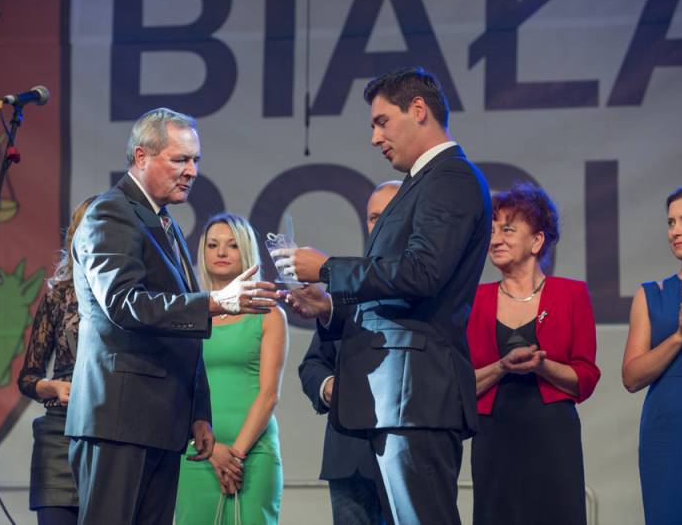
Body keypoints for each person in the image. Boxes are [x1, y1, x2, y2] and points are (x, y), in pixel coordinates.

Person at [279, 67, 491, 525]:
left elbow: (422, 274)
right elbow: (396, 295)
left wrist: (329, 268)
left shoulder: (449, 177)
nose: (375, 138)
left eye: (381, 122)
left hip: (415, 394)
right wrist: (331, 307)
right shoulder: (422, 182)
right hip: (395, 396)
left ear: (418, 110)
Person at [65, 108, 279, 525]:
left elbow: (181, 336)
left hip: (160, 421)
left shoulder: (165, 223)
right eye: (180, 159)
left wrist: (198, 411)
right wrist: (215, 302)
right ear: (141, 157)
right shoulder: (111, 213)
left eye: (195, 160)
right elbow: (125, 303)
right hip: (119, 419)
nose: (192, 171)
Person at [466, 183, 600, 525]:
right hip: (494, 436)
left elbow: (584, 377)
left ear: (537, 241)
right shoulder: (474, 300)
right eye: (492, 231)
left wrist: (542, 366)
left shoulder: (571, 294)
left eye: (508, 230)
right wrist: (501, 366)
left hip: (552, 436)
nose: (496, 240)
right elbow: (460, 383)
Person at [298, 180, 400, 525]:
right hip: (348, 455)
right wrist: (327, 386)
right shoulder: (346, 284)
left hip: (403, 450)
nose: (377, 224)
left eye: (387, 215)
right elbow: (313, 363)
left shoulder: (427, 281)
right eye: (372, 217)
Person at [176, 213, 288, 524]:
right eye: (213, 245)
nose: (221, 252)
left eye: (232, 245)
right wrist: (212, 452)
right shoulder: (187, 314)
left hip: (253, 453)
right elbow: (177, 389)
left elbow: (269, 394)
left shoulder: (269, 314)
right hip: (197, 451)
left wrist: (235, 456)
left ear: (247, 251)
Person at [622, 182, 682, 525]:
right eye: (671, 222)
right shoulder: (651, 294)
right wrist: (679, 337)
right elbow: (631, 378)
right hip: (669, 441)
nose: (675, 231)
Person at [17, 196, 96, 525]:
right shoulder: (58, 295)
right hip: (60, 433)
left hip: (111, 437)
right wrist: (52, 387)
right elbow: (28, 377)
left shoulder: (135, 297)